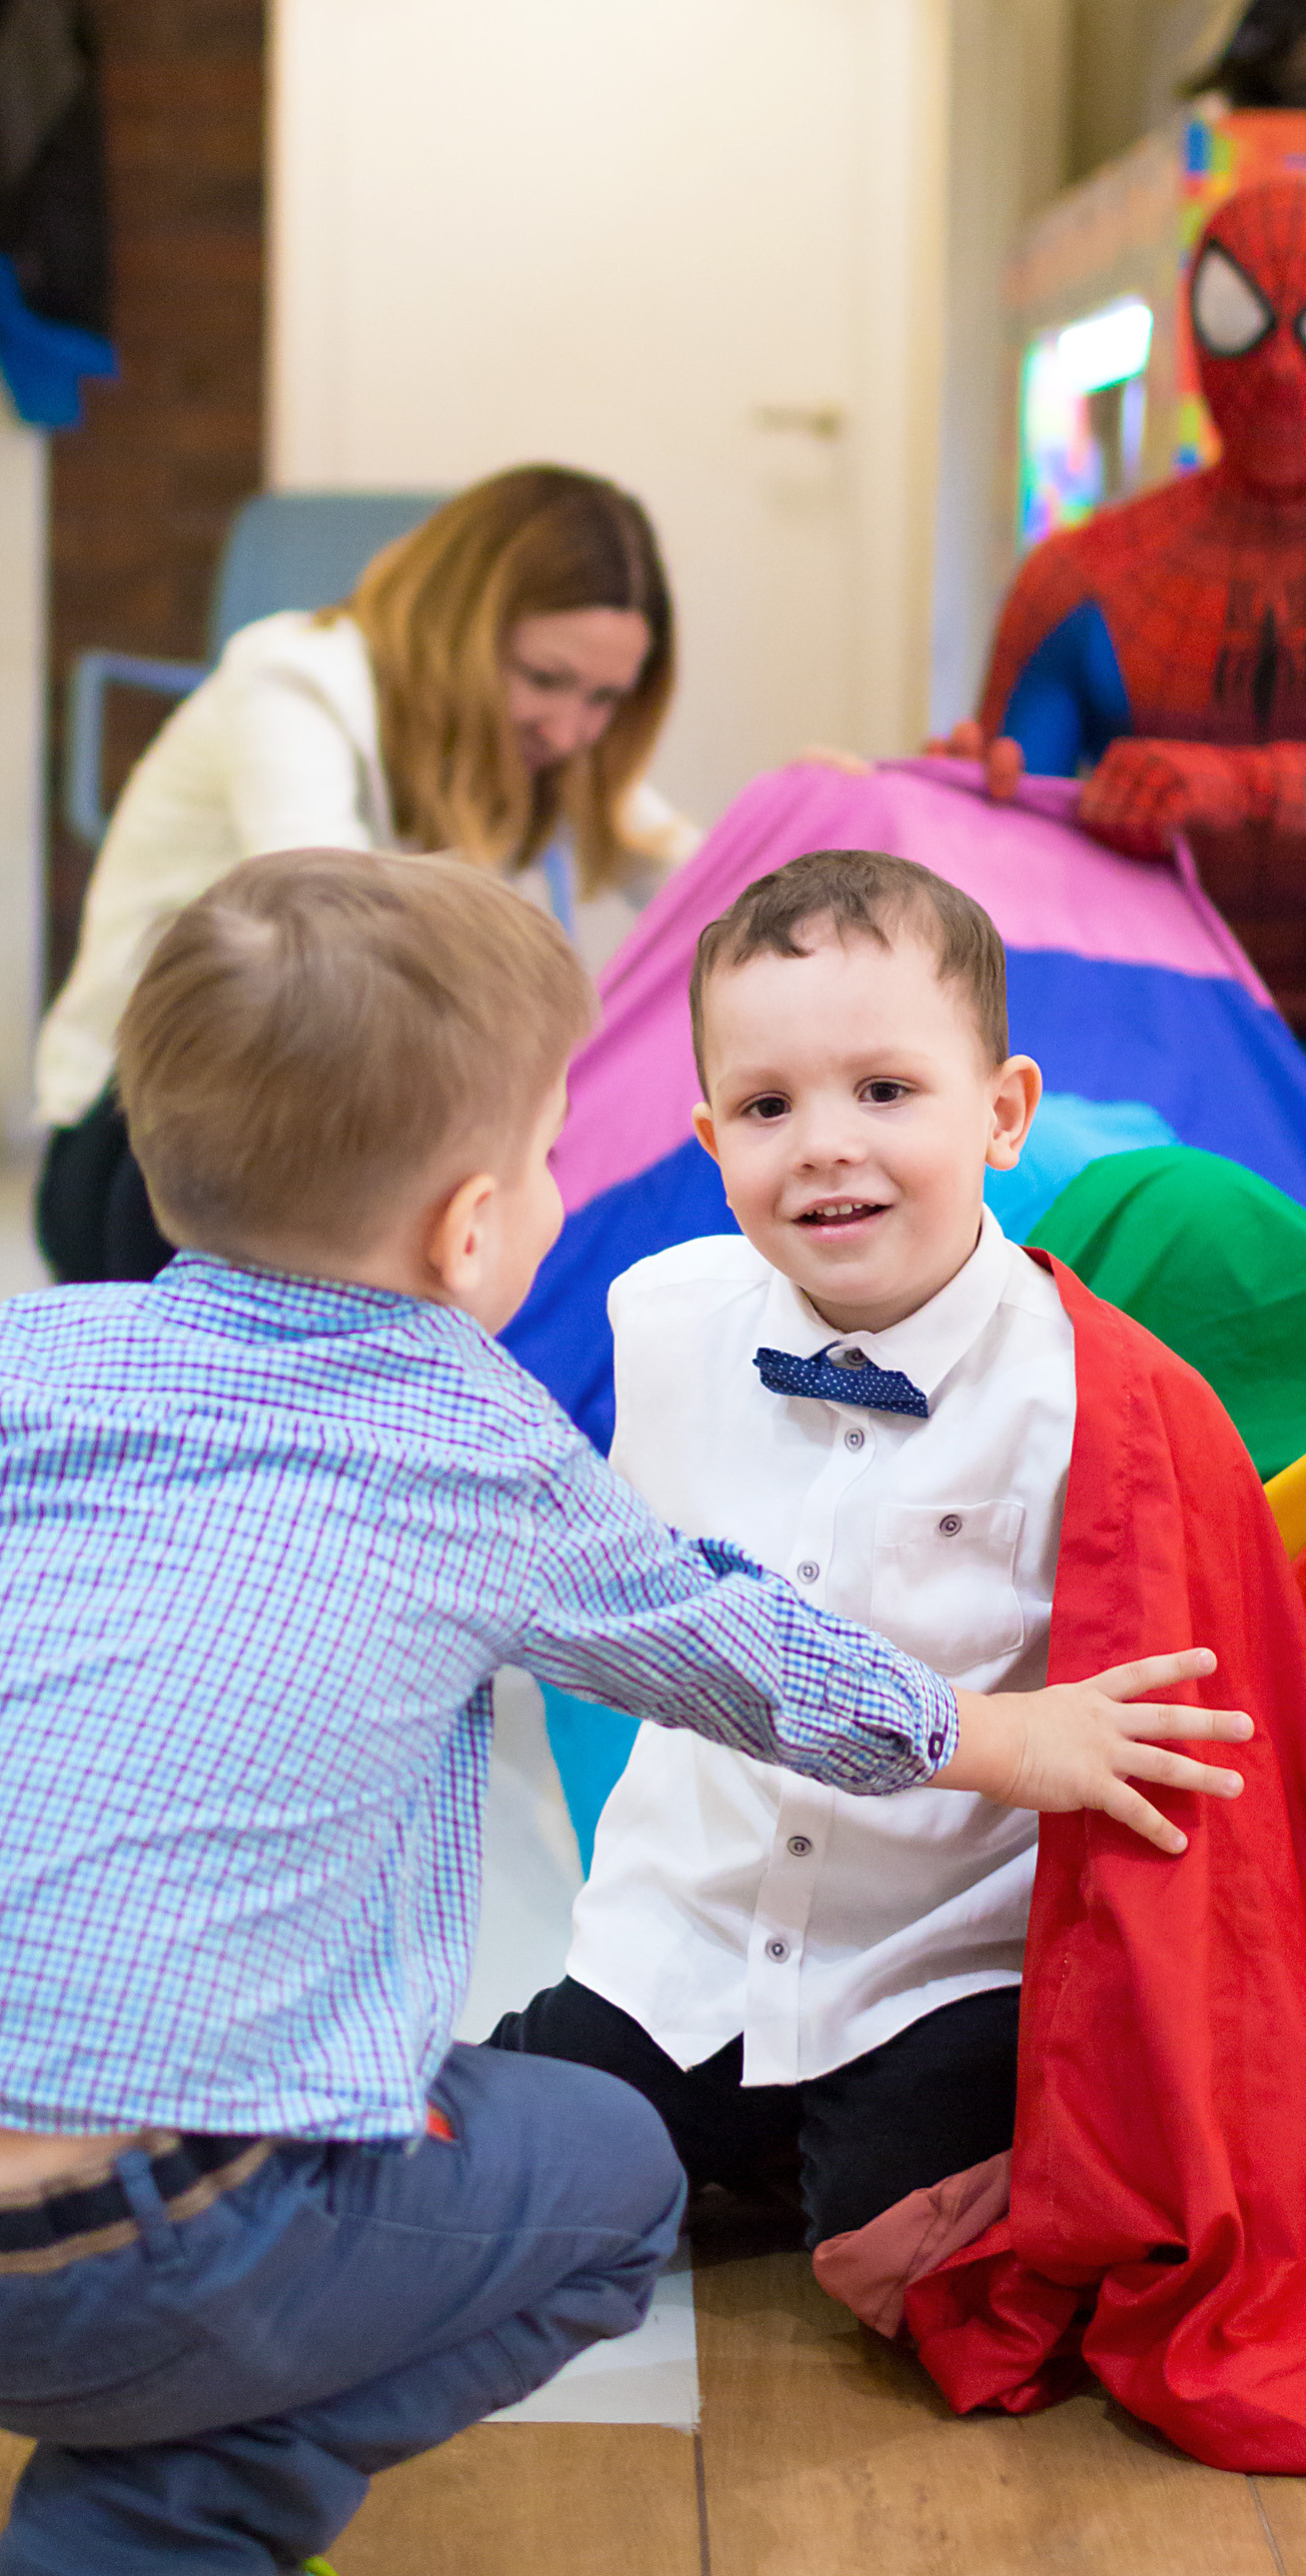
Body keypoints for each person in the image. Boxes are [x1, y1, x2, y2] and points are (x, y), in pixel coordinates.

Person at [0, 850, 1248, 2576]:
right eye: (558, 1148)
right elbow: (735, 1646)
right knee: (607, 2182)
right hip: (148, 2234)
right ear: (469, 1225)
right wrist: (1003, 1738)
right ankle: (169, 2513)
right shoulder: (479, 1443)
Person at [494, 848, 1243, 2248]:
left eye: (886, 1091)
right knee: (510, 2152)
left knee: (903, 2237)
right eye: (771, 1106)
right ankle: (706, 2140)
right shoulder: (662, 1318)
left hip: (933, 1954)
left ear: (1003, 1115)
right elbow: (642, 1607)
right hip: (691, 1936)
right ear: (713, 1145)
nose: (827, 1143)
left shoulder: (1086, 1390)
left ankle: (813, 2155)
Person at [940, 172, 1306, 1321]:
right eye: (1249, 321)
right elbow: (990, 900)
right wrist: (961, 800)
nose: (1289, 369)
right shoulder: (1086, 583)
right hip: (1155, 1076)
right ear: (1199, 327)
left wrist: (1257, 786)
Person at [34, 463, 698, 1284]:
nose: (570, 730)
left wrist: (810, 817)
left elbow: (701, 878)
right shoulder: (294, 681)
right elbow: (339, 945)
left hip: (318, 1151)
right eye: (545, 679)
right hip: (148, 1153)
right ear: (459, 629)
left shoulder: (530, 734)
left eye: (605, 699)